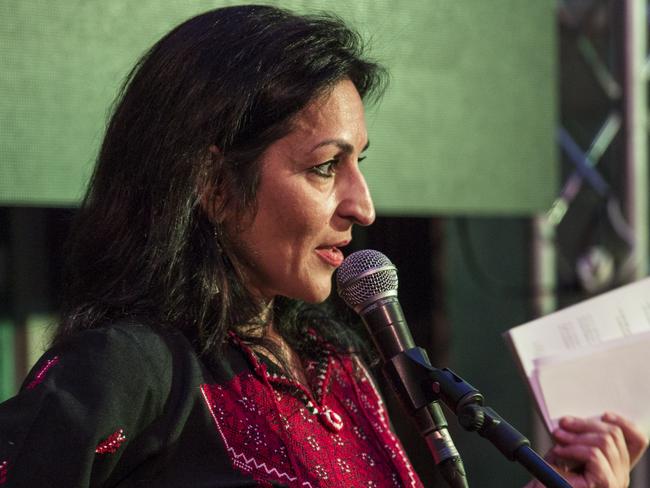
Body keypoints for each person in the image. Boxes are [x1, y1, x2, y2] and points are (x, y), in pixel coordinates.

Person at [0, 5, 646, 487]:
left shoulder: (336, 362)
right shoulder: (128, 367)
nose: (363, 206)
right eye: (324, 167)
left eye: (359, 162)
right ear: (212, 183)